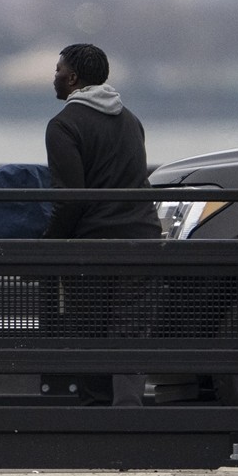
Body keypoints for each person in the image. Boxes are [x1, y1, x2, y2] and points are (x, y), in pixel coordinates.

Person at [43, 43, 161, 406]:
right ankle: (128, 416)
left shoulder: (63, 125)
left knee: (90, 334)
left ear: (73, 78)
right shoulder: (131, 121)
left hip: (94, 245)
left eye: (58, 70)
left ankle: (98, 420)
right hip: (142, 240)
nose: (54, 77)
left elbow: (70, 198)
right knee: (130, 334)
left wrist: (48, 245)